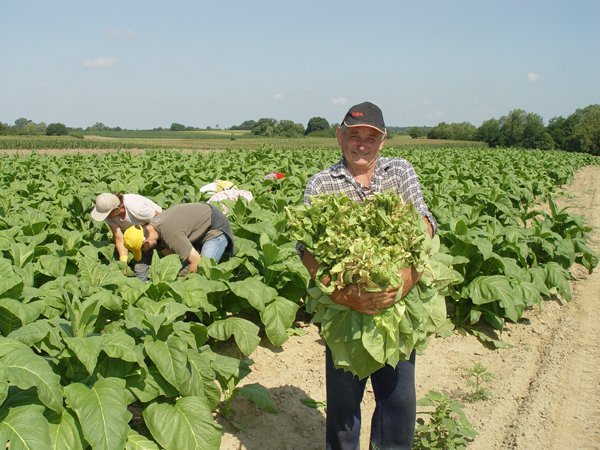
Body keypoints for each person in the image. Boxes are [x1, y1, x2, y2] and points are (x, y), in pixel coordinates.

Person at [300, 101, 437, 450]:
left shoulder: (400, 171)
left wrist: (405, 280)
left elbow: (425, 221)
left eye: (370, 137)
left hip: (397, 307)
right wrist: (341, 293)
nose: (362, 144)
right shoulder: (321, 184)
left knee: (399, 402)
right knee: (344, 407)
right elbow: (306, 249)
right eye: (354, 135)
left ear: (383, 141)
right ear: (340, 136)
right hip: (344, 310)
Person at [122, 202, 235, 278]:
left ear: (146, 243)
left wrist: (180, 284)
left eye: (143, 250)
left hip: (214, 227)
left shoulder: (170, 233)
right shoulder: (152, 229)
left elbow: (196, 261)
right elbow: (173, 257)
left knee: (203, 270)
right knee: (185, 265)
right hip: (197, 225)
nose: (145, 252)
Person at [91, 192, 162, 281]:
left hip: (154, 228)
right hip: (134, 234)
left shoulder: (137, 208)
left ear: (116, 210)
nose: (106, 217)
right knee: (135, 270)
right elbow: (119, 237)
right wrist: (123, 261)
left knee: (148, 265)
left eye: (107, 214)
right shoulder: (109, 215)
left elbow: (161, 219)